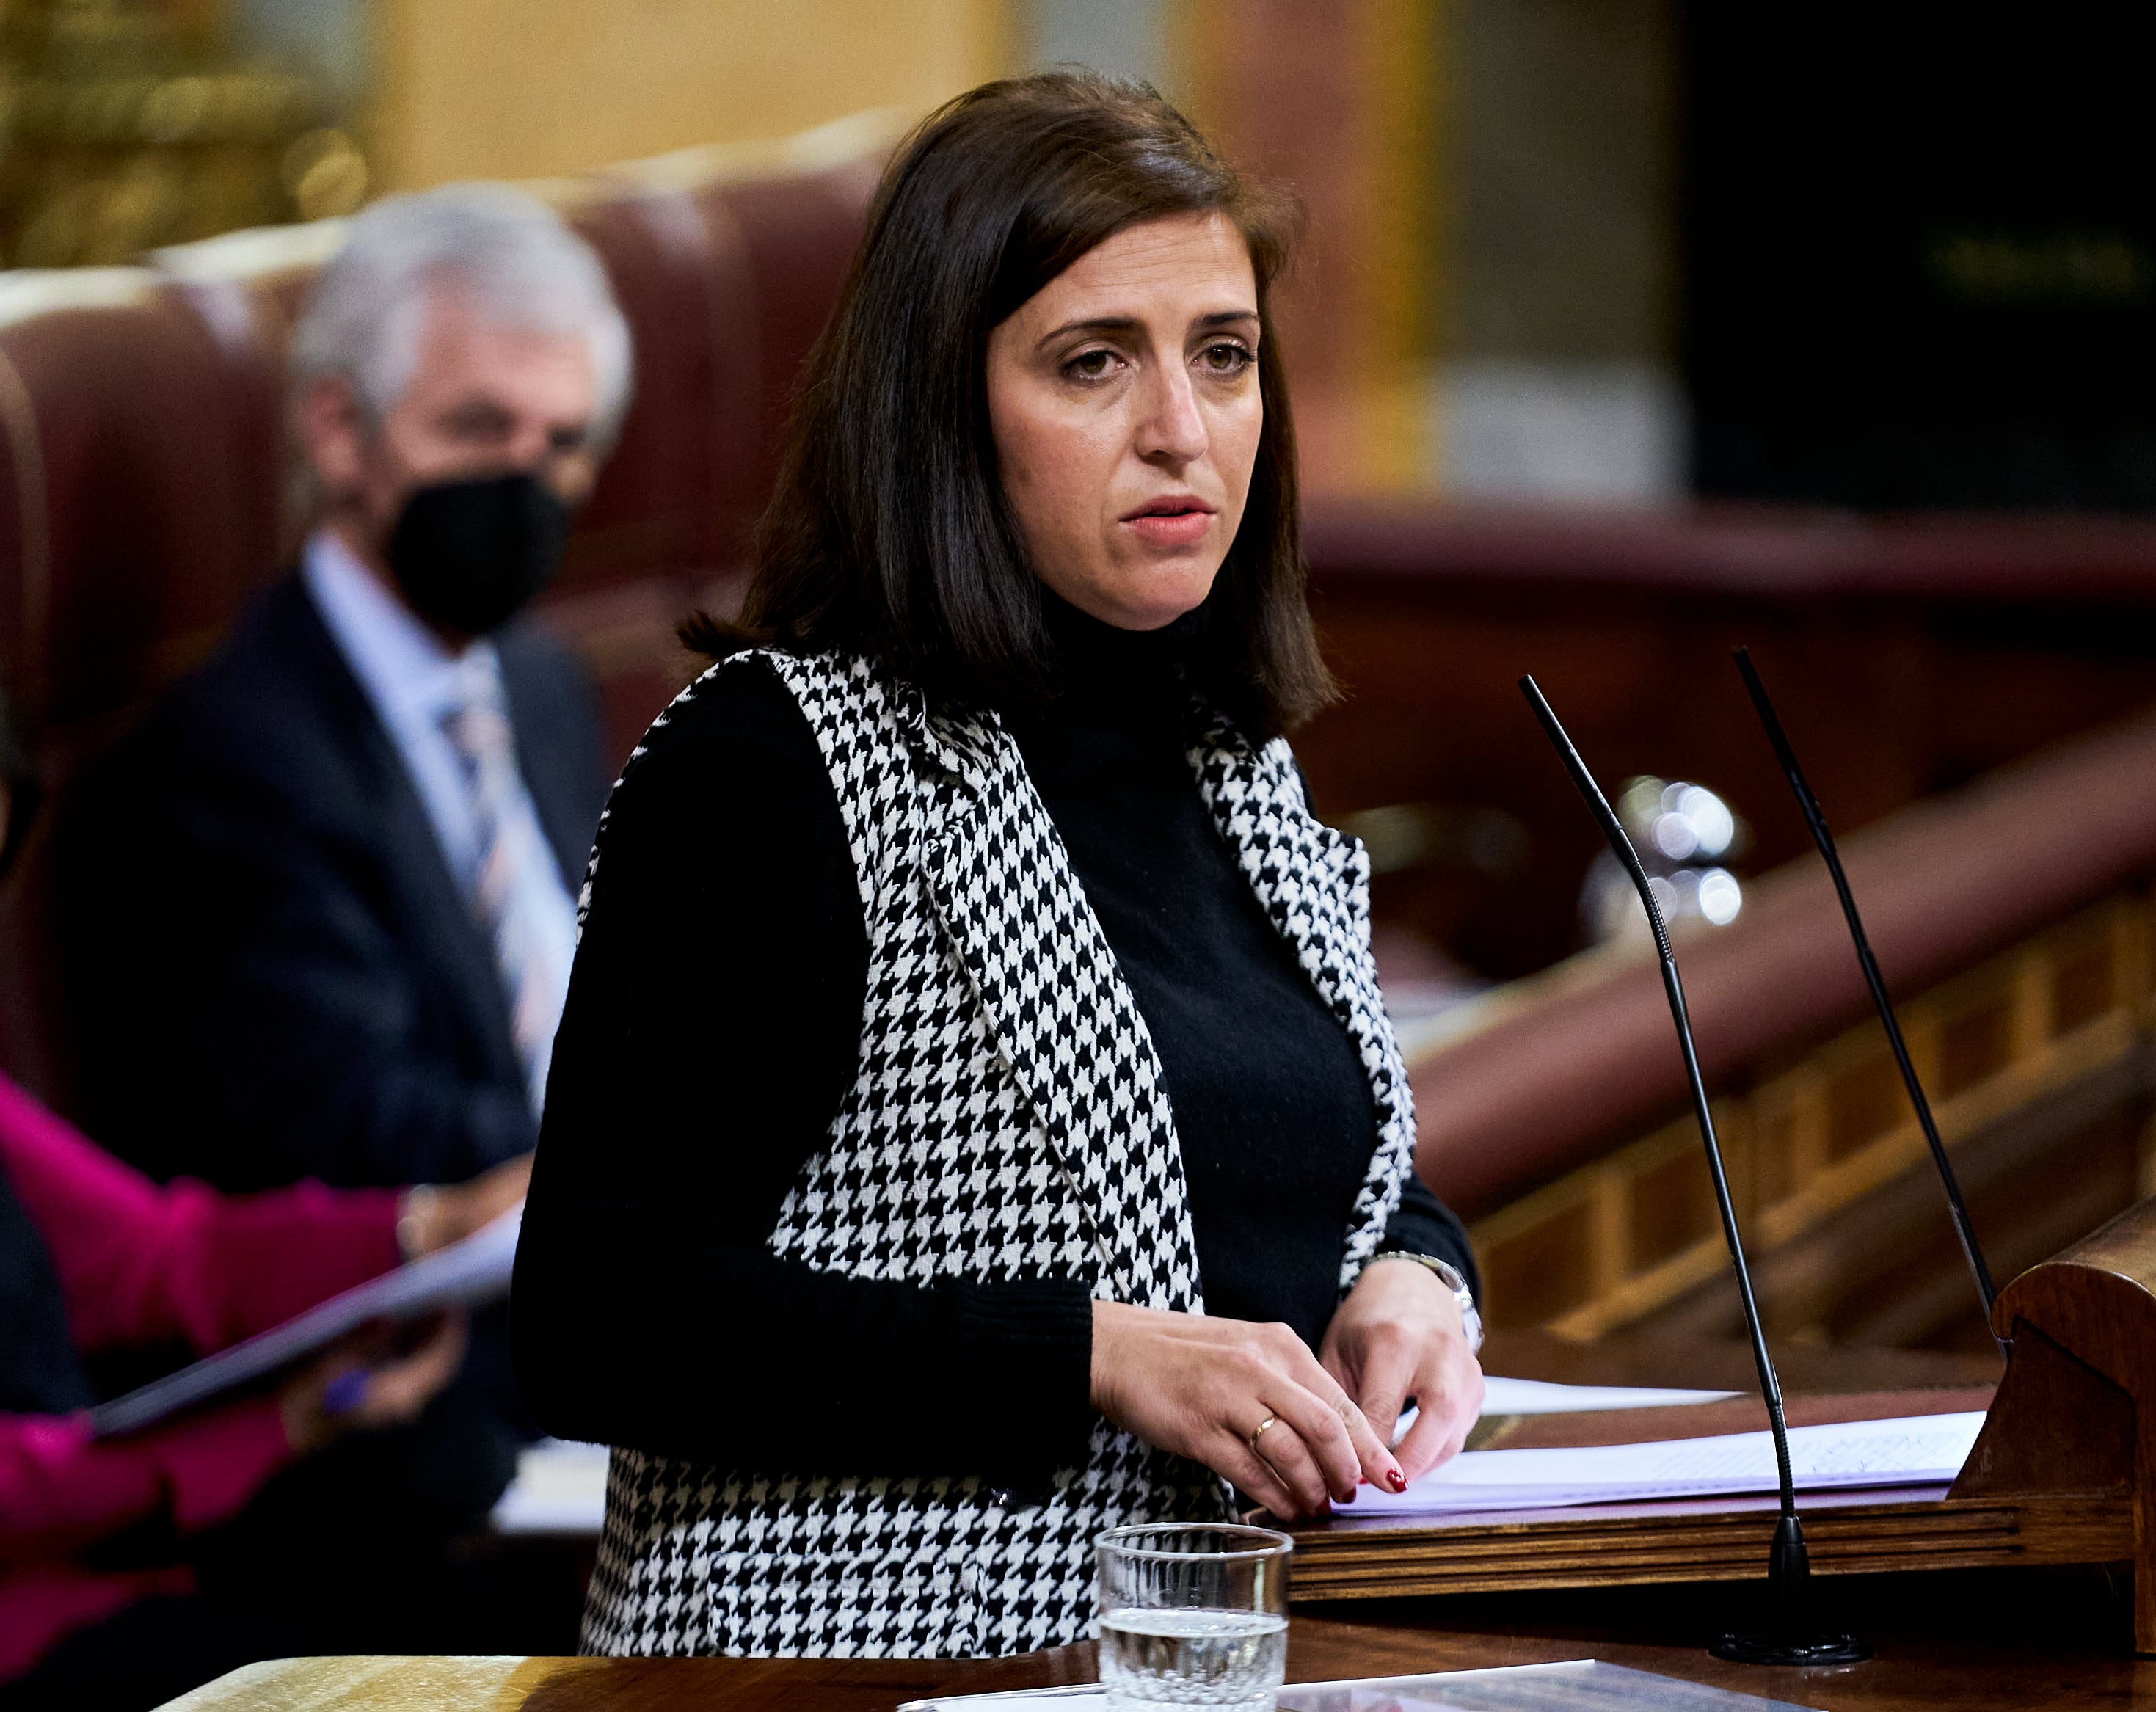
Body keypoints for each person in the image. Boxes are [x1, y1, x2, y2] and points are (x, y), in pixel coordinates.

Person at [512, 73, 1486, 1661]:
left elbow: (1270, 1149)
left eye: (1223, 357)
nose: (1181, 429)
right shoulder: (775, 766)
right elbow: (598, 1321)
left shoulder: (1227, 754)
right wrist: (1088, 1356)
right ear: (944, 409)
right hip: (846, 1673)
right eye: (1092, 363)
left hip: (1200, 1662)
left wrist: (1415, 1276)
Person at [62, 182, 625, 1196]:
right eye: (479, 428)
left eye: (562, 446)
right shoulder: (240, 754)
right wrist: (660, 1153)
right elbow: (350, 1124)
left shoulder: (538, 678)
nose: (525, 482)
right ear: (336, 427)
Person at [0, 708, 525, 1712]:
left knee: (447, 1508)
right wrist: (267, 1433)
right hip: (32, 1634)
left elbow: (159, 1256)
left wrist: (427, 1228)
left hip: (109, 1572)